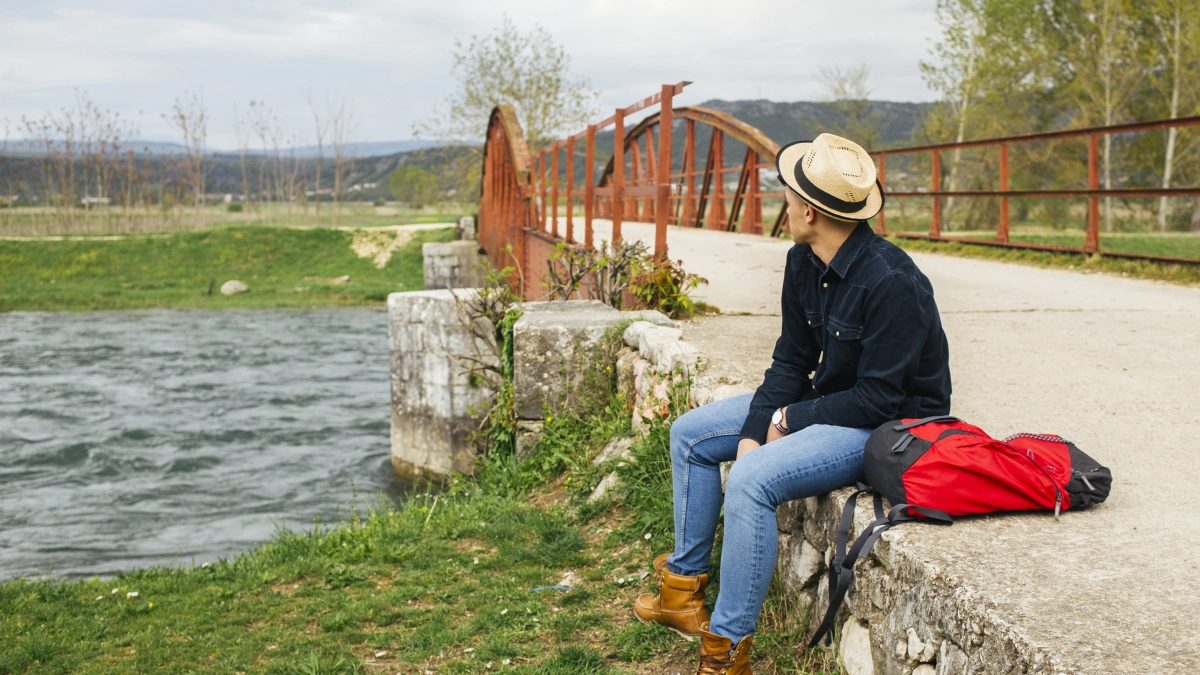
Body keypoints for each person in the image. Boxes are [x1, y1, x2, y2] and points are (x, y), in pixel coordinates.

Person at [633, 133, 952, 674]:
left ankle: (728, 651)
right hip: (830, 400)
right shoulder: (802, 261)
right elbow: (789, 361)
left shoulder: (893, 282)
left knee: (754, 480)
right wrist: (758, 426)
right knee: (690, 435)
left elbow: (879, 397)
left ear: (808, 210)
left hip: (887, 424)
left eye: (787, 196)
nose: (783, 204)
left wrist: (790, 419)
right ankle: (681, 593)